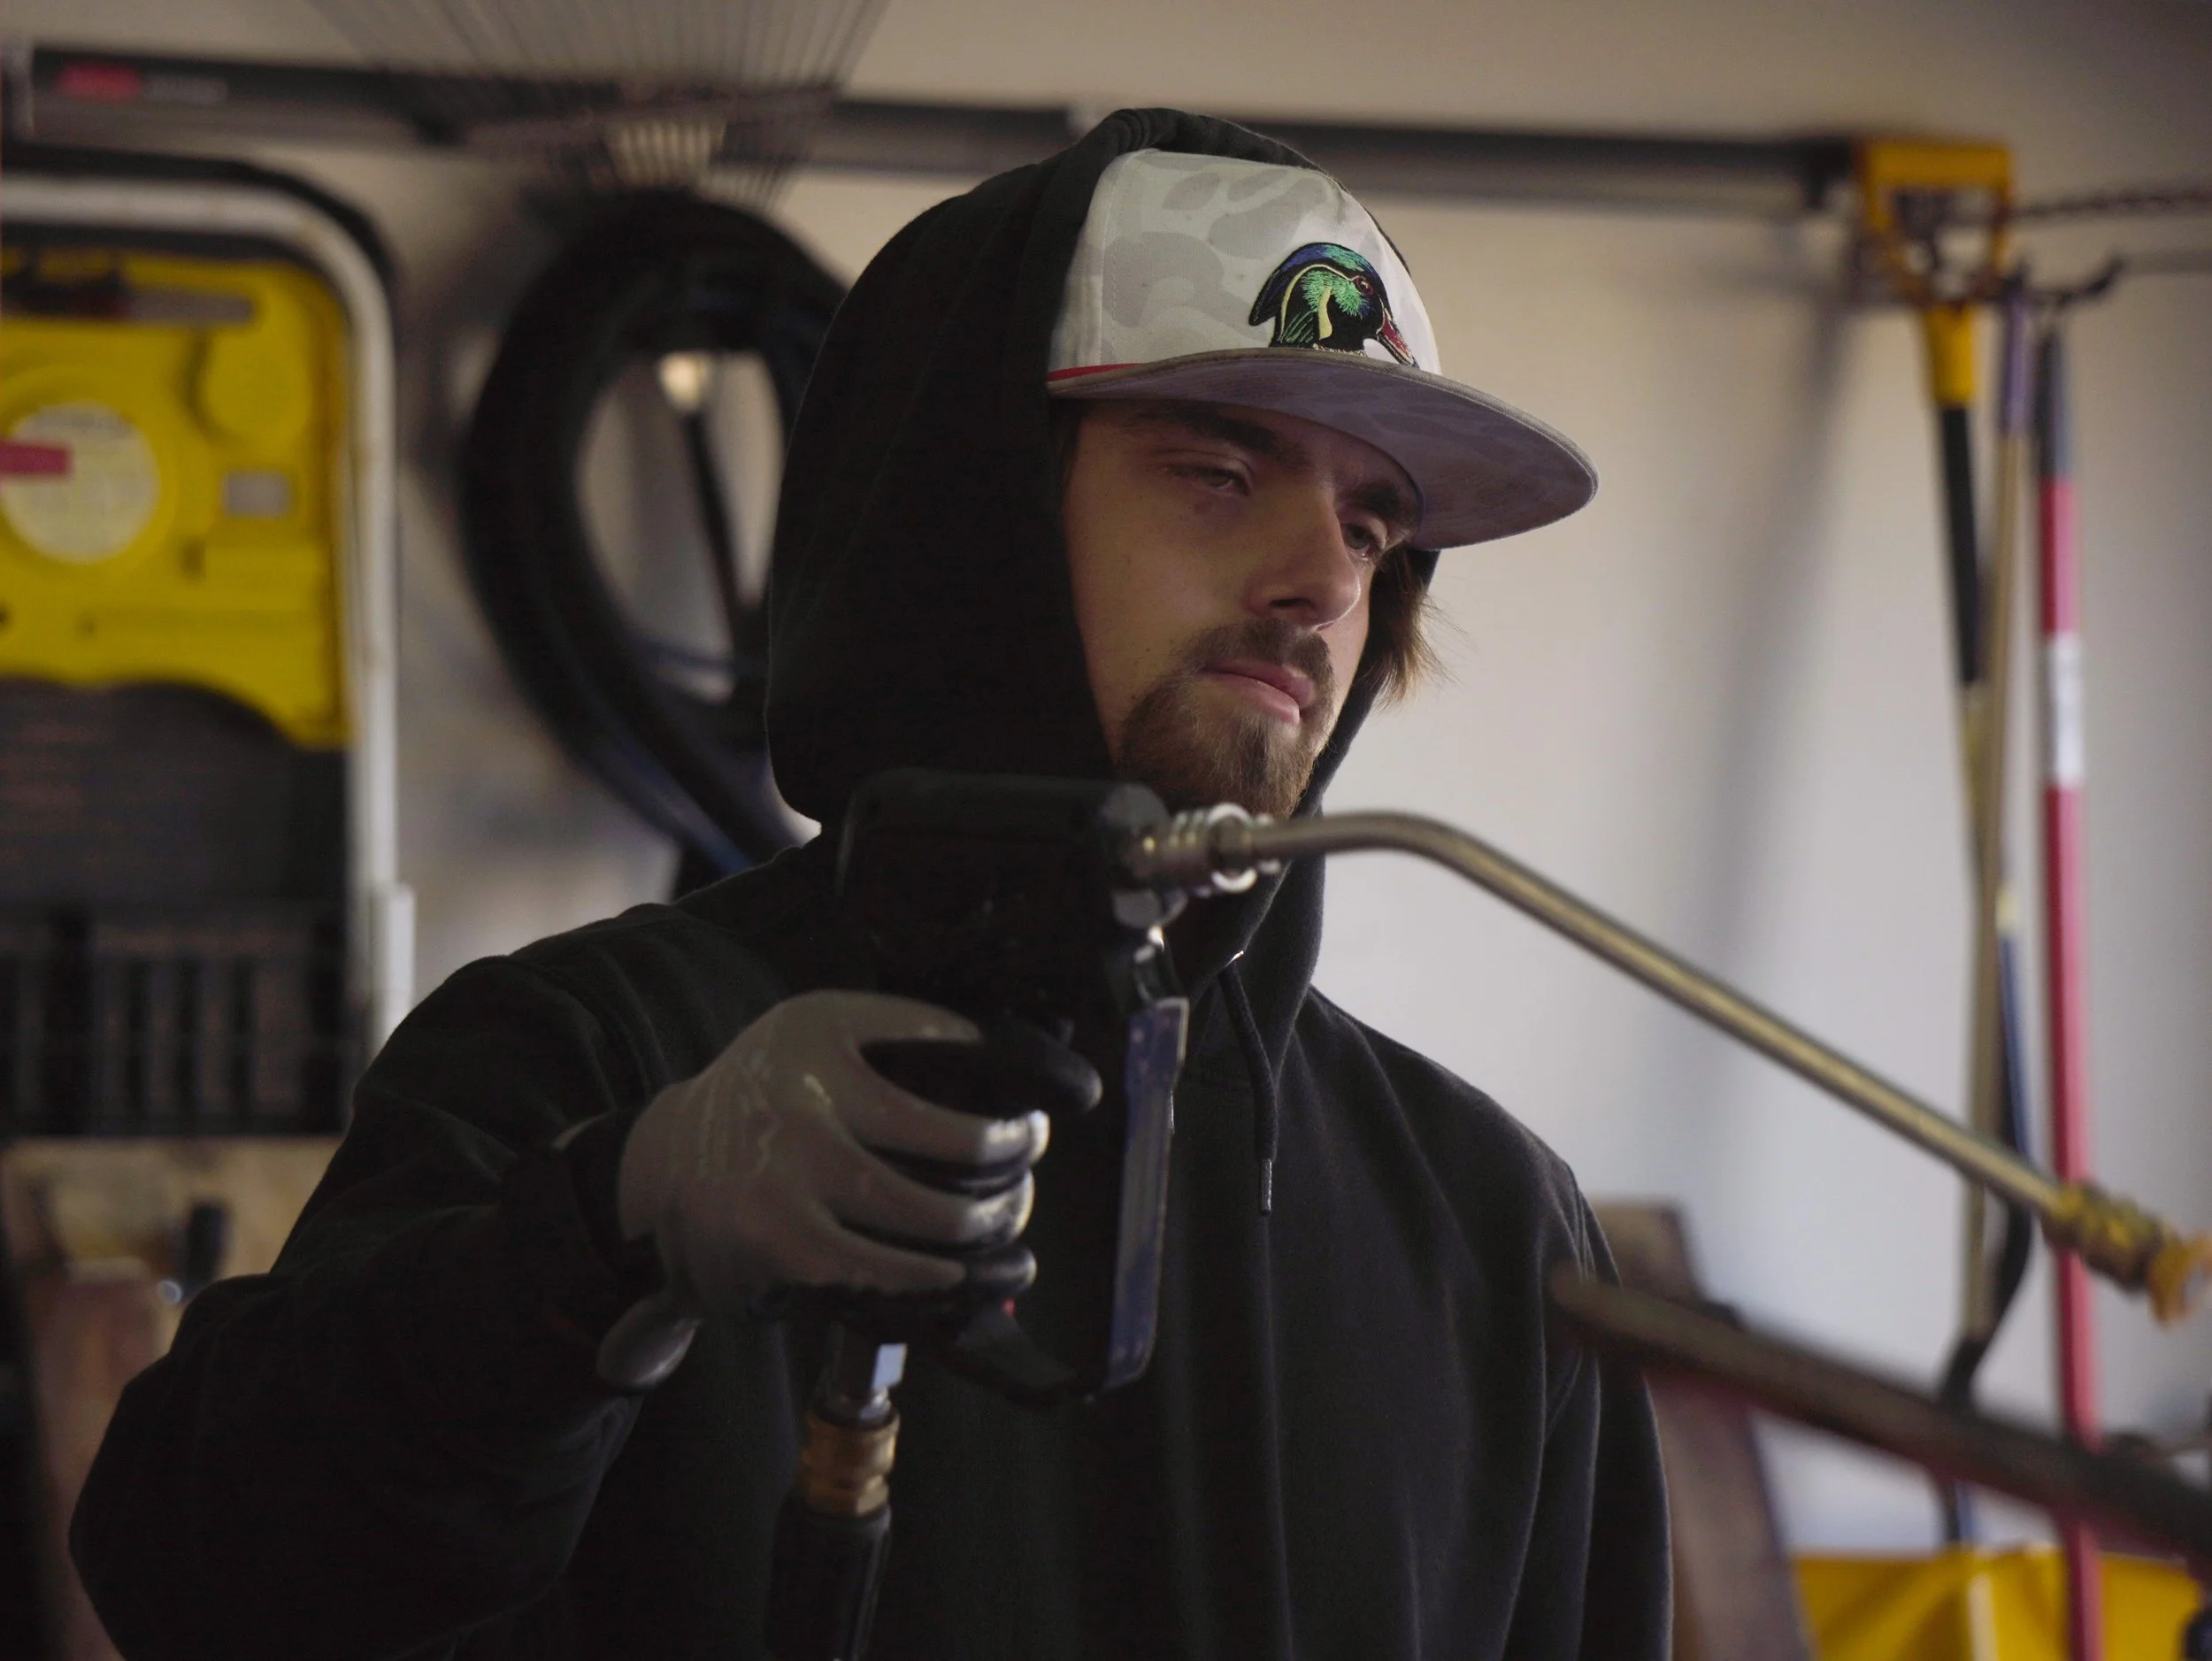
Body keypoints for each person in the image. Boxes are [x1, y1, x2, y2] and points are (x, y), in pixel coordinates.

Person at [73, 109, 1669, 1660]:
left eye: (1373, 527)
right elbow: (194, 1582)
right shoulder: (595, 1055)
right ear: (975, 516)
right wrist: (597, 1245)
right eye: (1215, 471)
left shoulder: (1486, 1221)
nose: (1323, 579)